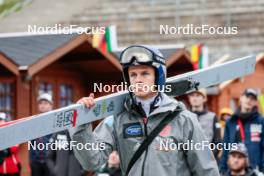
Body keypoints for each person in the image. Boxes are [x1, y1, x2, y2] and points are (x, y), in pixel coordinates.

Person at [69, 45, 219, 175]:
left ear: (158, 76)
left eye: (145, 73)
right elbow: (92, 161)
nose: (138, 80)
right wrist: (82, 123)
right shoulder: (117, 119)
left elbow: (205, 170)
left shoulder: (184, 119)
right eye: (133, 75)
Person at [220, 88, 264, 174]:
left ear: (255, 102)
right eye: (247, 97)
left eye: (253, 99)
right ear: (241, 98)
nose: (249, 100)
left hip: (255, 170)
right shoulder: (231, 121)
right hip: (233, 170)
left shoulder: (261, 121)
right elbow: (225, 146)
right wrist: (222, 169)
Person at [188, 89, 222, 157]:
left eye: (197, 96)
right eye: (192, 96)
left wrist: (210, 158)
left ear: (204, 99)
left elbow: (218, 142)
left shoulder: (212, 117)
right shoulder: (184, 117)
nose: (194, 98)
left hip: (207, 160)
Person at [29, 93, 53, 176]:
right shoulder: (33, 121)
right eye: (40, 103)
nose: (42, 105)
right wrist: (31, 158)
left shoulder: (55, 121)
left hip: (50, 160)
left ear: (51, 105)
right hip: (36, 161)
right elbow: (31, 141)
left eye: (45, 103)